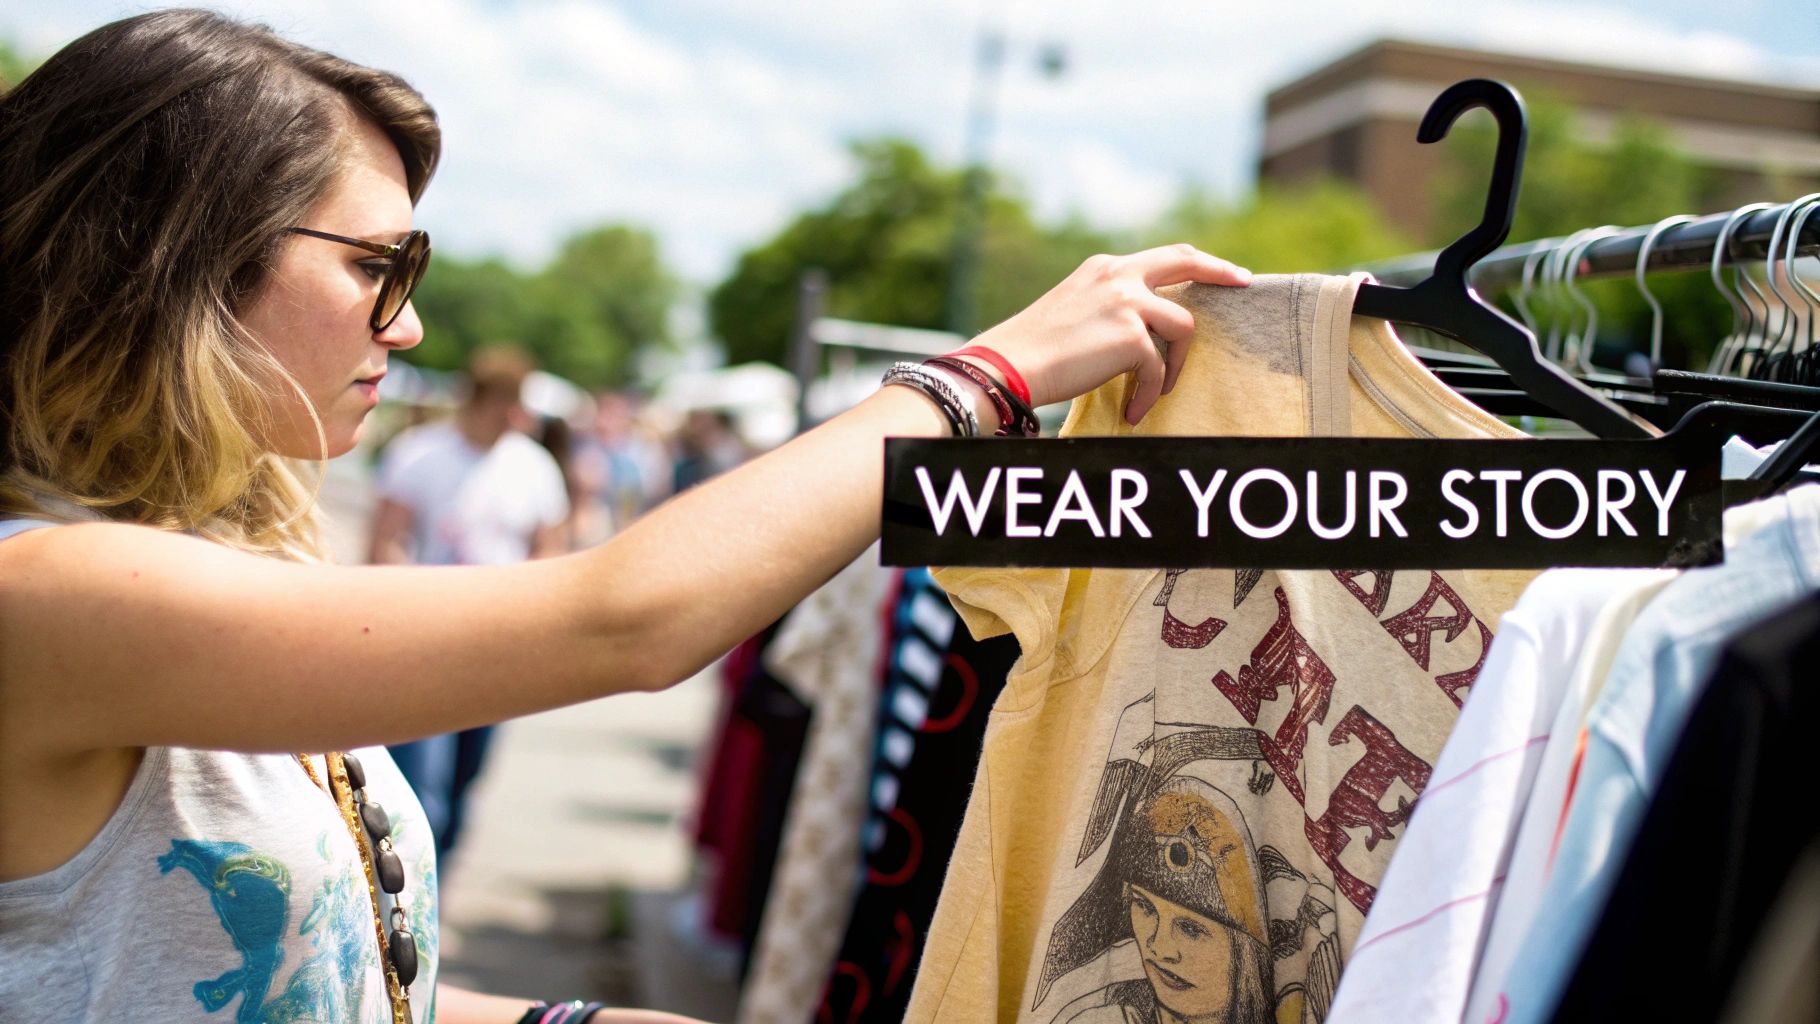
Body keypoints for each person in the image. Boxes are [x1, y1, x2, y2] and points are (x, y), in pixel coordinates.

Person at [0, 9, 1251, 1024]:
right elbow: (626, 623)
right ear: (175, 258)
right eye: (378, 268)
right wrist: (982, 379)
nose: (409, 325)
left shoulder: (172, 558)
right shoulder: (48, 596)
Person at [368, 345, 571, 864]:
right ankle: (413, 885)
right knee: (421, 785)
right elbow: (386, 539)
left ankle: (440, 882)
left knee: (464, 779)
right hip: (427, 639)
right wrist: (409, 607)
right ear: (481, 400)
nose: (516, 413)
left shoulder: (533, 465)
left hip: (497, 643)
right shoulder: (419, 452)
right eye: (507, 401)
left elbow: (550, 549)